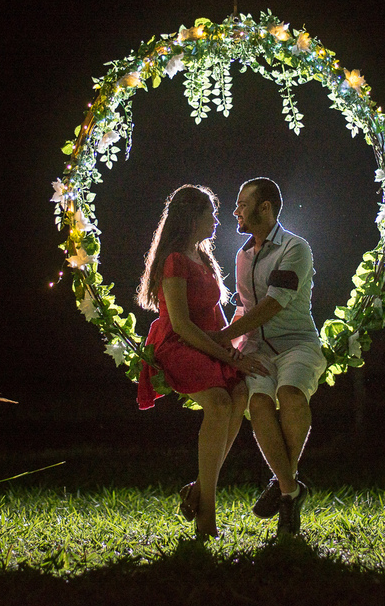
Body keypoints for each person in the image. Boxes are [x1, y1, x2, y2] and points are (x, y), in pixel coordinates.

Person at [136, 184, 268, 537]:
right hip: (179, 344)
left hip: (209, 341)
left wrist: (233, 352)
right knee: (219, 400)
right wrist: (225, 354)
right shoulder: (175, 260)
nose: (216, 221)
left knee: (239, 394)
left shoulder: (204, 257)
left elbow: (215, 314)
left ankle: (197, 488)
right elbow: (180, 324)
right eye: (210, 213)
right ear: (192, 217)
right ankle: (206, 515)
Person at [212, 177, 327, 536]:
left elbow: (274, 304)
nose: (236, 212)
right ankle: (290, 490)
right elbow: (246, 309)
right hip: (257, 348)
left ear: (266, 208)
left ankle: (281, 485)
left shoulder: (296, 248)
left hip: (297, 343)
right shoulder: (243, 255)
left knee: (290, 395)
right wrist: (228, 345)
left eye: (243, 205)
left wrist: (219, 337)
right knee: (259, 404)